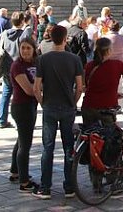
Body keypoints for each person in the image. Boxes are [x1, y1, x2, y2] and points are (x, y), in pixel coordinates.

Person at [32, 24, 84, 199]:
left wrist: (43, 103)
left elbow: (36, 88)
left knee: (48, 148)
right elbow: (79, 87)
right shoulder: (74, 59)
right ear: (65, 39)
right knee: (69, 147)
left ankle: (45, 187)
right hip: (67, 107)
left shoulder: (43, 59)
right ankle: (69, 186)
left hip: (50, 106)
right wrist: (73, 102)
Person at [9, 37, 39, 192]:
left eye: (28, 48)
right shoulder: (17, 66)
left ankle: (15, 171)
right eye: (23, 48)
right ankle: (24, 181)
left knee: (21, 140)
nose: (25, 51)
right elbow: (29, 90)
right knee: (25, 144)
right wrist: (41, 87)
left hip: (31, 106)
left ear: (34, 49)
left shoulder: (36, 63)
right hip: (21, 107)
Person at [0, 12, 32, 129]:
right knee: (19, 96)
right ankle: (19, 121)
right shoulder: (23, 35)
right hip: (19, 69)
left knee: (6, 94)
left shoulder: (3, 34)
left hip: (6, 68)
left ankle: (2, 119)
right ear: (22, 21)